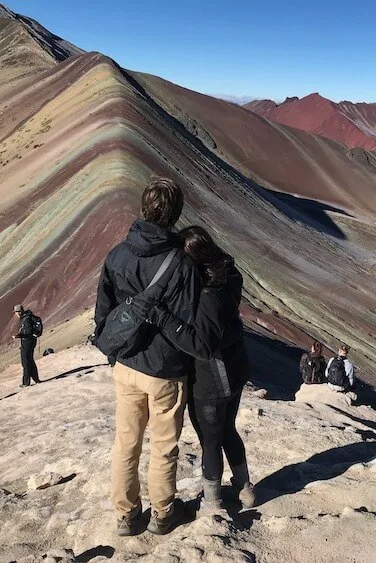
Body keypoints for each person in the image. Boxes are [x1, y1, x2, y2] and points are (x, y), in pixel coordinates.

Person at [94, 175, 200, 536]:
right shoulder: (182, 265)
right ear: (176, 214)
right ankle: (164, 513)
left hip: (126, 365)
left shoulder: (117, 254)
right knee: (163, 446)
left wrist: (114, 353)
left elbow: (103, 310)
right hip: (164, 371)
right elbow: (186, 322)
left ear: (143, 208)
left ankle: (126, 515)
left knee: (126, 442)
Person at [148, 226, 255, 515]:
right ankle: (245, 487)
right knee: (228, 429)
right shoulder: (228, 275)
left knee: (210, 439)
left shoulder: (208, 293)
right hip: (236, 366)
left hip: (212, 377)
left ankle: (213, 502)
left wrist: (162, 317)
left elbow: (202, 345)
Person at [13, 305, 40, 387]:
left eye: (16, 312)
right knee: (30, 361)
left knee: (25, 362)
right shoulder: (28, 317)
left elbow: (28, 332)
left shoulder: (26, 319)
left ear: (19, 312)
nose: (16, 314)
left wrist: (18, 336)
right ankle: (36, 379)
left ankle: (26, 383)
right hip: (31, 342)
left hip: (27, 343)